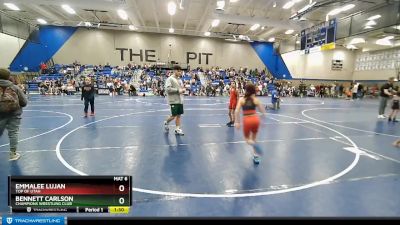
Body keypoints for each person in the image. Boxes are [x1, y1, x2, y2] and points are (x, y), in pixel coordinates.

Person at [234, 83, 267, 164]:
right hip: (255, 119)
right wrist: (262, 121)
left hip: (247, 120)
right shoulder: (256, 99)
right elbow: (263, 112)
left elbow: (236, 111)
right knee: (254, 139)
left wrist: (237, 122)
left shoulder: (242, 99)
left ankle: (253, 144)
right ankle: (256, 157)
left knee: (247, 140)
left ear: (246, 90)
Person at [0, 68, 28, 161]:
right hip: (14, 114)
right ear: (8, 76)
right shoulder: (15, 87)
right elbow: (24, 102)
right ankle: (13, 154)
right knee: (13, 133)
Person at [164, 66, 185, 136]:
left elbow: (181, 88)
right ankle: (166, 122)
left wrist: (183, 90)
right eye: (179, 71)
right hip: (173, 100)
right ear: (175, 71)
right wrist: (178, 90)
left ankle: (177, 129)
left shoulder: (180, 80)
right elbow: (168, 89)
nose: (180, 72)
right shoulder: (170, 79)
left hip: (180, 100)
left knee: (179, 115)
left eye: (181, 71)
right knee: (173, 116)